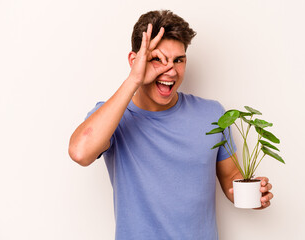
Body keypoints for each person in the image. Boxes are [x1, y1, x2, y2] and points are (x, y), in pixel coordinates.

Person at [69, 10, 273, 240]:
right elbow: (80, 152)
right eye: (157, 59)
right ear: (135, 61)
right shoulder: (114, 117)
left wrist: (252, 194)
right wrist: (134, 79)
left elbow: (231, 177)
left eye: (179, 60)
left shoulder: (212, 114)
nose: (171, 71)